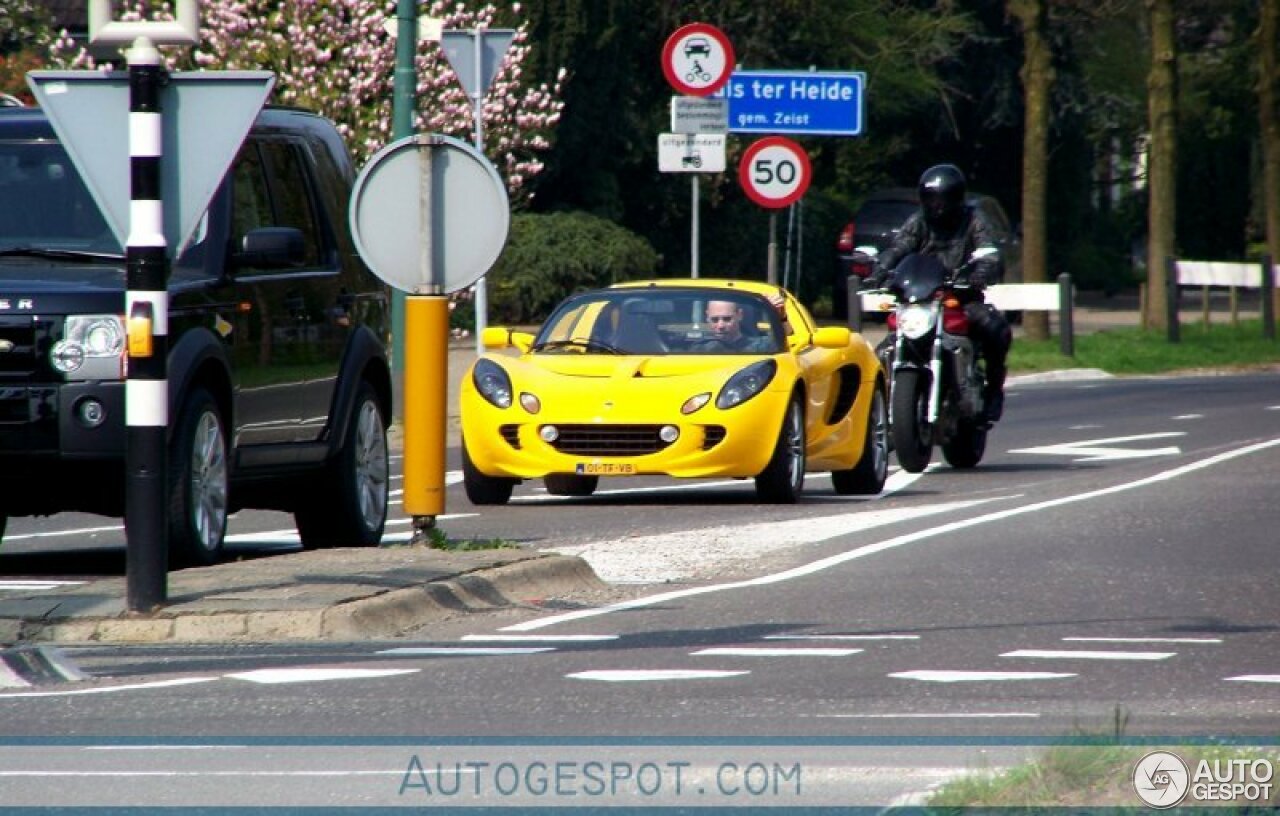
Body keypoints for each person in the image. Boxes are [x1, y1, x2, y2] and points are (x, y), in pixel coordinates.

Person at [867, 163, 1013, 422]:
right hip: (921, 298)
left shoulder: (973, 222)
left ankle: (993, 391)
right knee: (881, 351)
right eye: (931, 199)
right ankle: (878, 411)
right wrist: (881, 269)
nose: (937, 206)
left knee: (995, 329)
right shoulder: (918, 222)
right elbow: (899, 248)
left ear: (956, 198)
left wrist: (981, 272)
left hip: (960, 297)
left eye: (943, 200)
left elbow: (988, 251)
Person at [701, 298, 777, 352]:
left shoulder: (761, 346)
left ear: (739, 315)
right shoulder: (698, 350)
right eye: (715, 320)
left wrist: (781, 317)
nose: (720, 326)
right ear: (707, 317)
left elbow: (787, 342)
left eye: (727, 319)